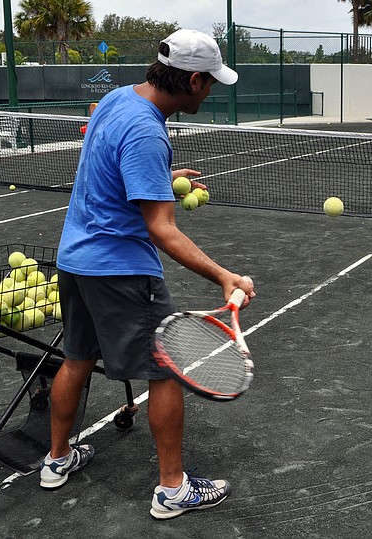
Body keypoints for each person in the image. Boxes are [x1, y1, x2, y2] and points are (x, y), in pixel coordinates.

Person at [40, 29, 255, 520]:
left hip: (75, 260)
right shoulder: (147, 132)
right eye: (211, 83)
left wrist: (166, 180)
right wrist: (224, 277)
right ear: (194, 80)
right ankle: (172, 488)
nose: (212, 91)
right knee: (165, 372)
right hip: (121, 271)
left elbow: (110, 166)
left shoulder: (116, 100)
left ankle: (56, 460)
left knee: (75, 359)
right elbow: (162, 228)